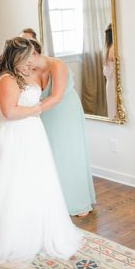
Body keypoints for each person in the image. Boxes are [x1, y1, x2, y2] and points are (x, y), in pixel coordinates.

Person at [0, 36, 83, 264]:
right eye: (26, 60)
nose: (30, 64)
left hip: (30, 134)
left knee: (34, 182)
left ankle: (35, 229)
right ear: (16, 58)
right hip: (13, 135)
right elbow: (9, 112)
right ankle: (14, 235)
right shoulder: (7, 79)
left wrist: (34, 111)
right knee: (13, 184)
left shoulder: (22, 74)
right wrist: (36, 109)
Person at [27, 39, 96, 216]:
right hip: (44, 114)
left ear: (34, 53)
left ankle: (76, 201)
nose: (24, 64)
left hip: (65, 112)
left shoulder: (57, 65)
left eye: (26, 58)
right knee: (49, 153)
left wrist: (31, 111)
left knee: (68, 153)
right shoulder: (29, 69)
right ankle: (52, 200)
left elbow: (56, 97)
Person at [103, 23, 117, 118]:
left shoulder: (107, 49)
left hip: (109, 83)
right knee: (115, 109)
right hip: (114, 83)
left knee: (112, 109)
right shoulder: (113, 49)